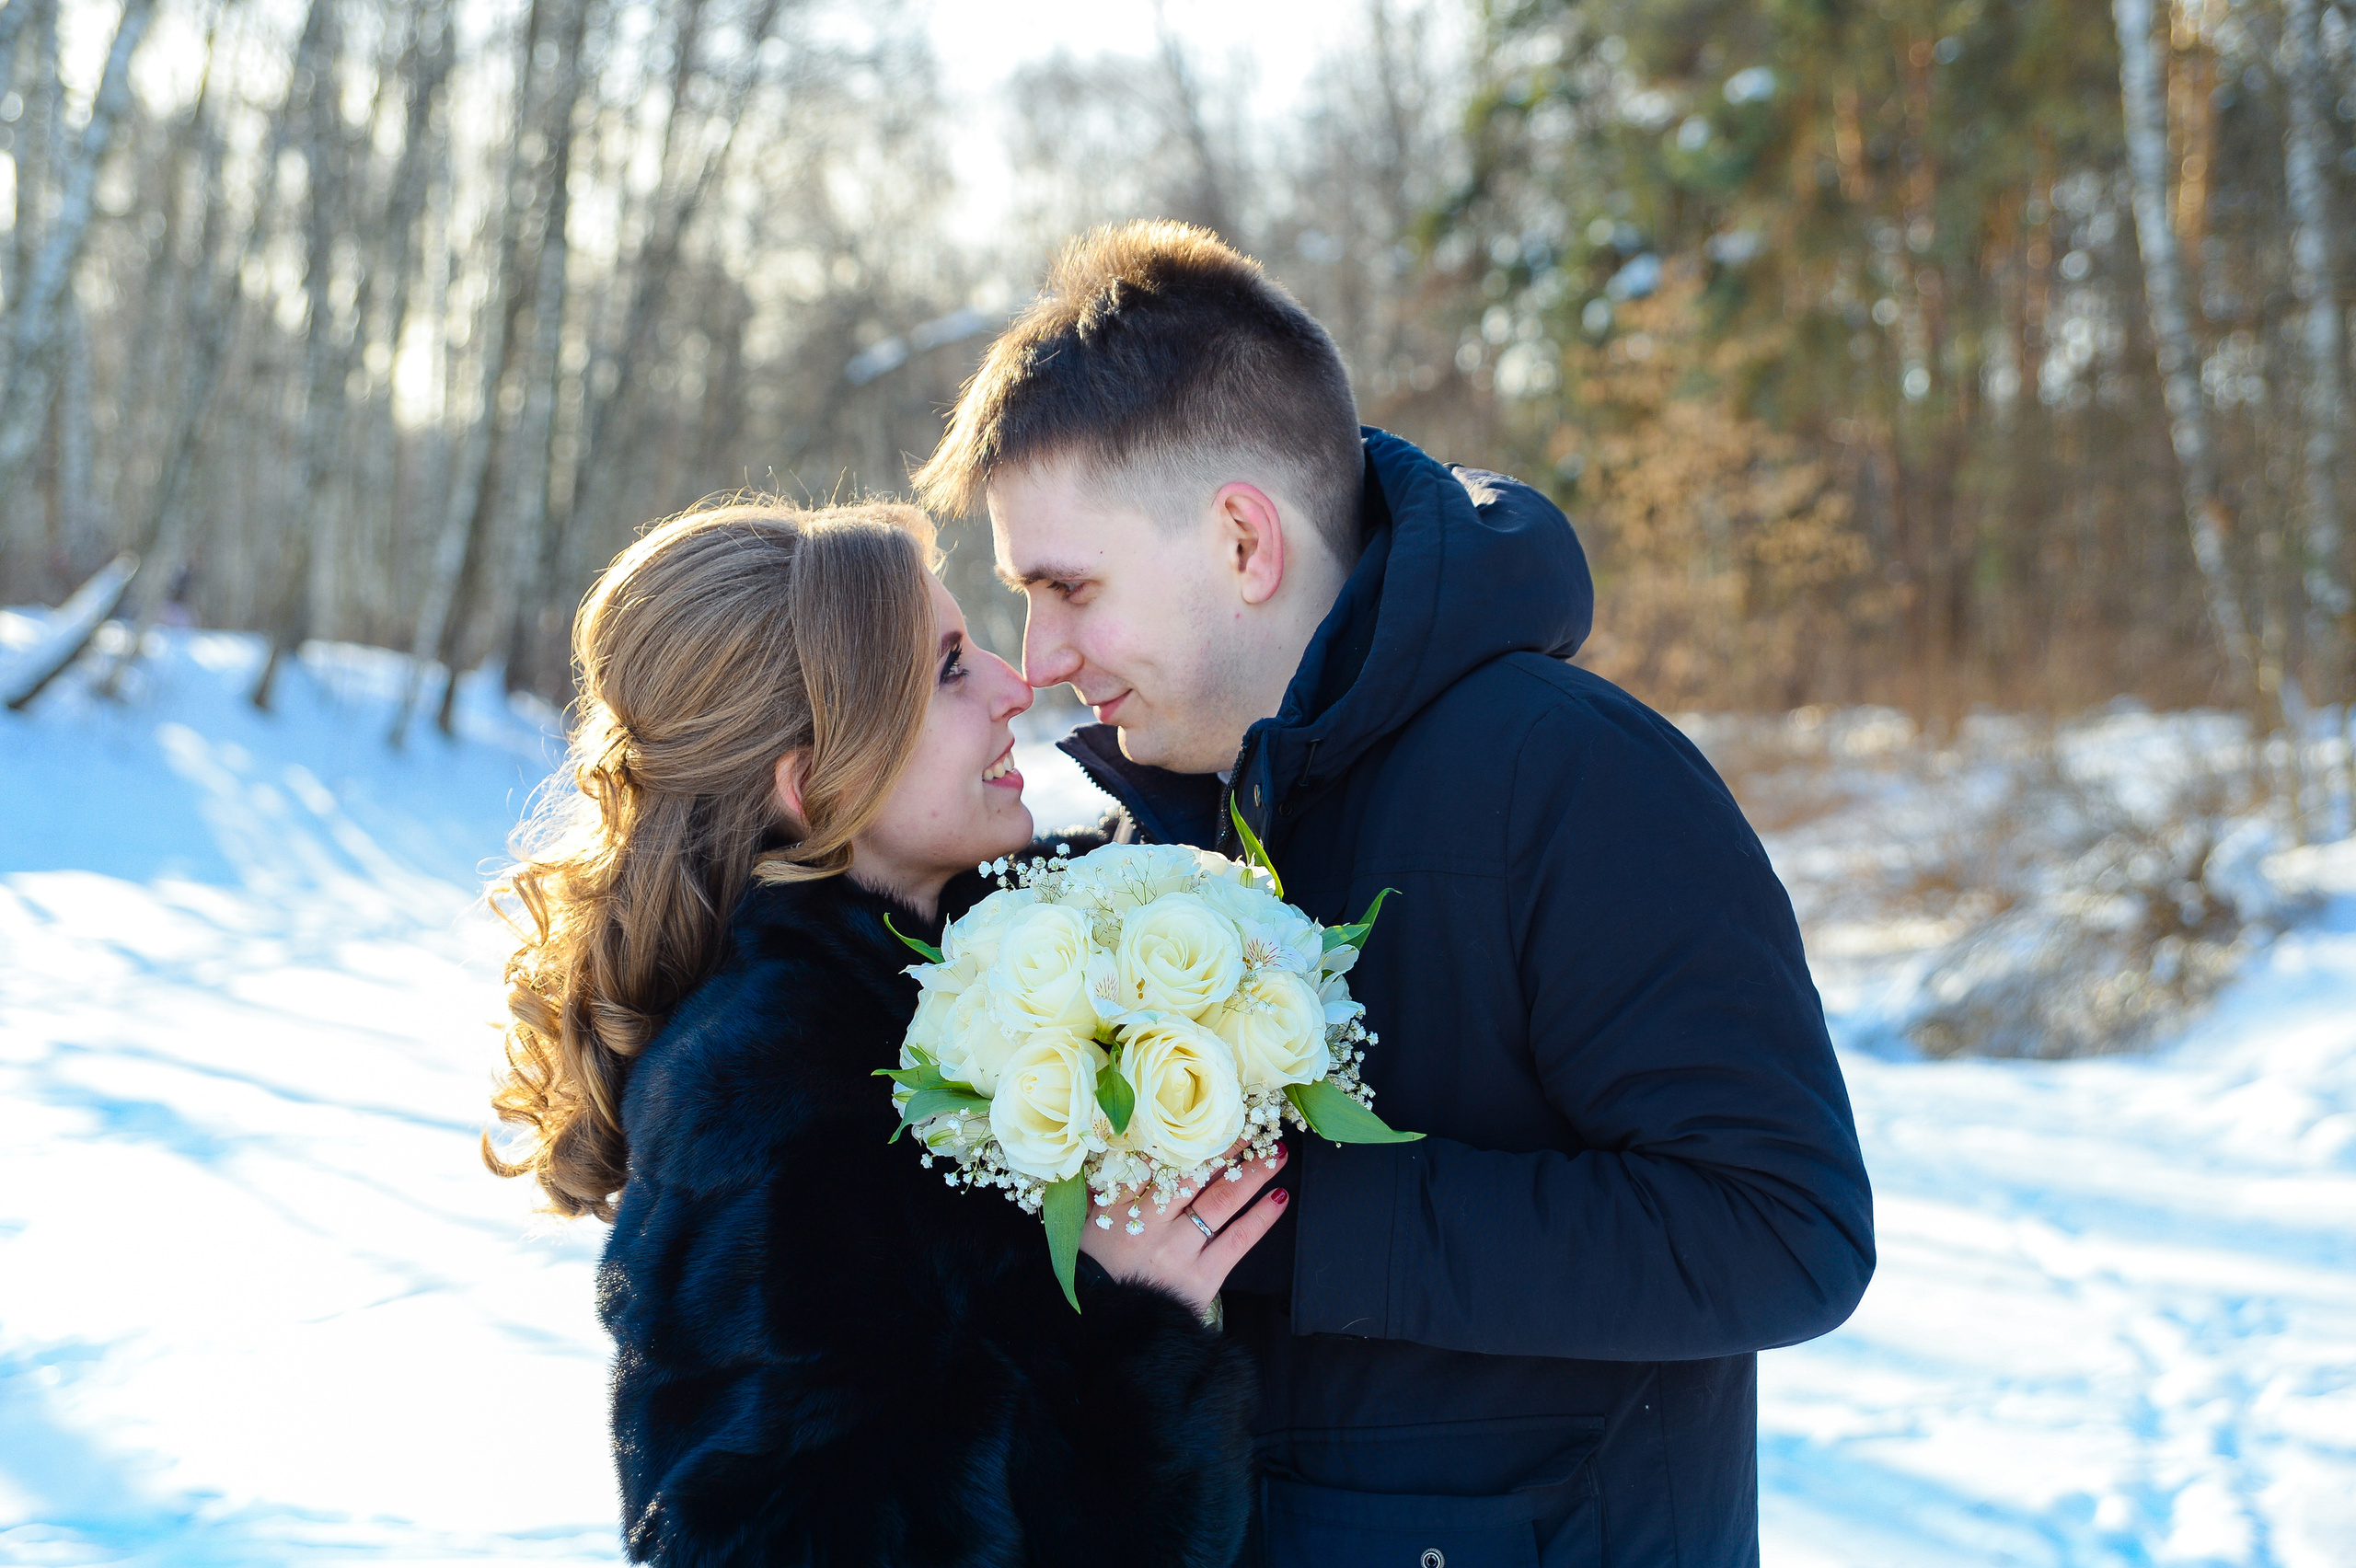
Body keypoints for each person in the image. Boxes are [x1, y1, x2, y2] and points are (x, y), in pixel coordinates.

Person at [912, 223, 1877, 1567]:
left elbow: (1787, 1231)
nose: (1046, 658)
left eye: (1068, 588)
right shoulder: (1160, 826)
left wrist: (1288, 1213)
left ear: (1245, 540)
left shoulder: (1573, 780)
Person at [481, 501, 1281, 1567]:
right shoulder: (767, 1100)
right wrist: (1115, 1330)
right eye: (950, 670)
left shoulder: (981, 959)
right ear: (811, 782)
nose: (1015, 685)